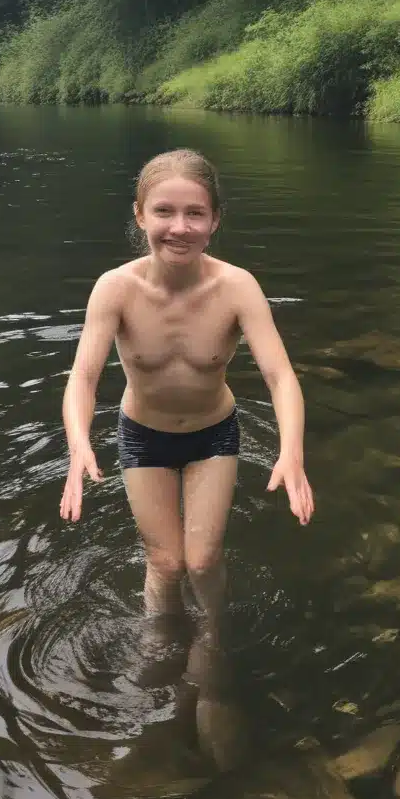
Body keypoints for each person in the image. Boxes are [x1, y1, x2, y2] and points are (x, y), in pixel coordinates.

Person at [59, 148, 314, 637]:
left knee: (201, 560)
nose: (180, 227)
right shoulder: (115, 288)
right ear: (140, 214)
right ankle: (162, 638)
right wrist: (78, 447)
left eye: (195, 213)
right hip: (142, 435)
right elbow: (84, 377)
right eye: (164, 211)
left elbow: (280, 376)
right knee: (166, 561)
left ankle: (215, 635)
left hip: (212, 434)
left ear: (215, 219)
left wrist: (292, 454)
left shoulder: (238, 288)